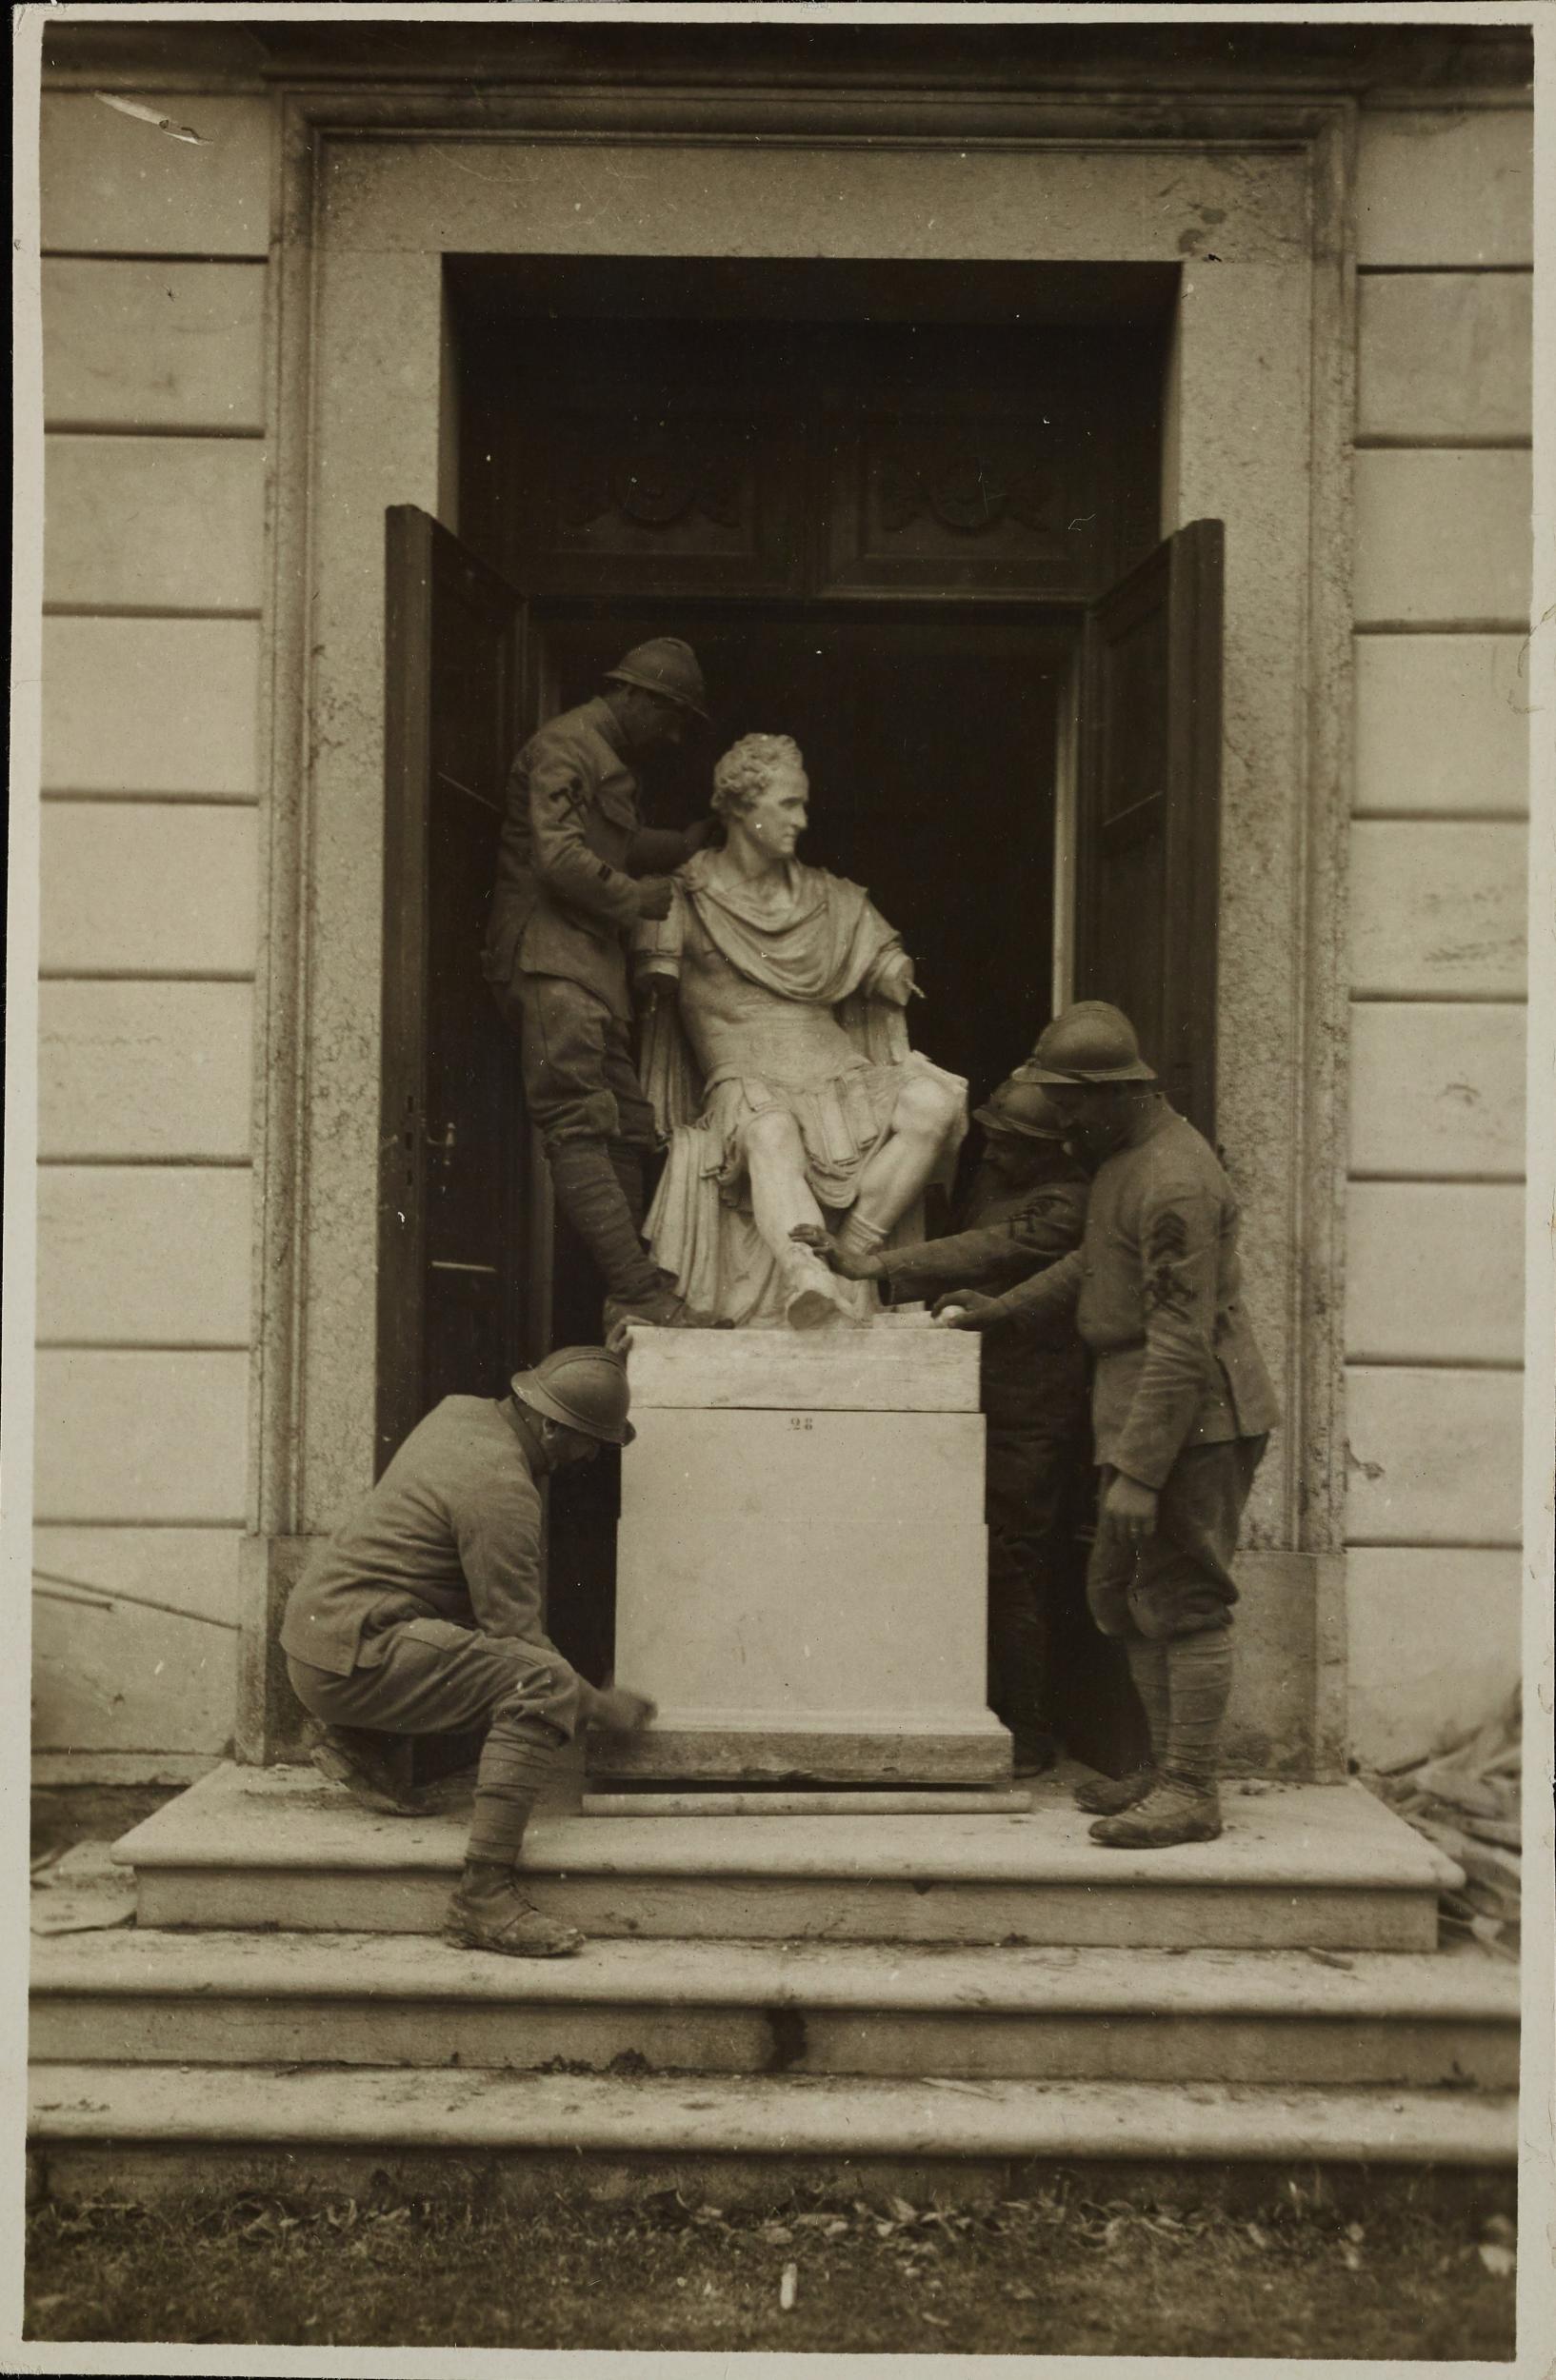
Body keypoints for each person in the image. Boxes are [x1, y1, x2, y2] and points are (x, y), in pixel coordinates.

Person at [934, 1002, 1281, 1849]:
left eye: (1071, 1104)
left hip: (1193, 1417)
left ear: (1114, 1095)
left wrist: (1140, 1471)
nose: (1062, 1123)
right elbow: (1093, 1264)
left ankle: (1192, 1787)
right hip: (1140, 1406)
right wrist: (1001, 1311)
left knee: (1184, 1594)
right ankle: (1164, 1770)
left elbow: (1182, 1343)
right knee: (1121, 1592)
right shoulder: (1127, 1157)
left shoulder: (1174, 1181)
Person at [281, 1345, 655, 1956]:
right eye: (588, 1441)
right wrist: (598, 1704)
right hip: (359, 1656)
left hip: (326, 1643)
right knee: (541, 1683)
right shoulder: (502, 1487)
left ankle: (359, 1738)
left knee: (479, 1645)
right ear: (547, 1425)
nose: (589, 1457)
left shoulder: (461, 1415)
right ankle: (482, 1898)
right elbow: (517, 1638)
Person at [633, 732, 967, 1327]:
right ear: (739, 806)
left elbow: (885, 965)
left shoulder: (827, 898)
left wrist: (895, 971)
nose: (802, 820)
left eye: (803, 805)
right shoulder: (683, 894)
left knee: (936, 1101)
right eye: (788, 804)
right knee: (771, 1135)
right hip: (747, 1078)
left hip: (838, 1073)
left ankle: (852, 1259)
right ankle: (805, 1275)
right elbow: (647, 987)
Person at [818, 1071, 1092, 1773]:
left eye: (1009, 1144)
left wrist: (872, 1264)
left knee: (1013, 1560)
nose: (992, 1154)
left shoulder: (1068, 1204)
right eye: (991, 1138)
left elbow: (986, 1251)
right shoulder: (1004, 1178)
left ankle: (1027, 1728)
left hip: (1029, 1413)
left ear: (1051, 1148)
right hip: (972, 1398)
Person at [483, 639, 717, 1329]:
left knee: (628, 1126)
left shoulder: (600, 755)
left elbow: (613, 842)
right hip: (552, 963)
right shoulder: (565, 746)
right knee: (581, 1123)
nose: (672, 736)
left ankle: (635, 1284)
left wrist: (683, 843)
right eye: (671, 718)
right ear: (637, 696)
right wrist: (635, 899)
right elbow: (559, 858)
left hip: (588, 972)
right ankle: (639, 1293)